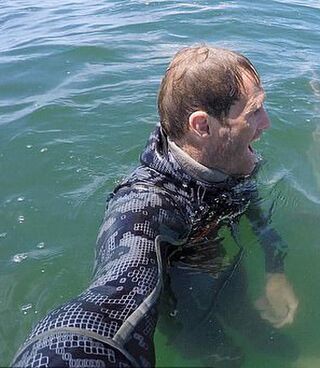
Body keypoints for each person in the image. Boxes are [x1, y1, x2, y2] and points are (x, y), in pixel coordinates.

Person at [12, 45, 299, 367]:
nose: (267, 123)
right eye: (254, 112)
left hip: (220, 268)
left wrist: (276, 269)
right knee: (225, 357)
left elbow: (250, 202)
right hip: (182, 307)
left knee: (260, 328)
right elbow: (107, 306)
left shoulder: (230, 157)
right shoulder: (145, 205)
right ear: (202, 126)